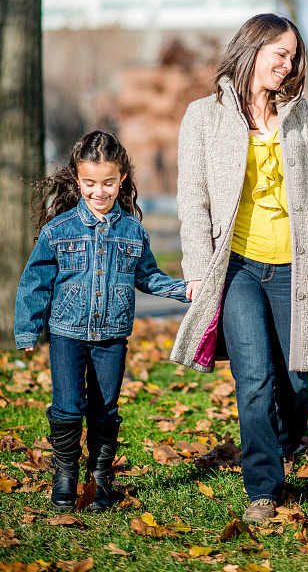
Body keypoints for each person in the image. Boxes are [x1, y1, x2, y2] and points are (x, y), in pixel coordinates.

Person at [170, 13, 308, 522]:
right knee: (254, 378)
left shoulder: (300, 116)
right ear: (253, 49)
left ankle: (278, 447)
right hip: (236, 269)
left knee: (298, 381)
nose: (288, 65)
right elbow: (194, 202)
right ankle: (264, 490)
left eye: (294, 57)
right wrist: (196, 268)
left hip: (294, 266)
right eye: (281, 54)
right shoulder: (202, 116)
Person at [14, 131, 189, 512]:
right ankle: (65, 475)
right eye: (90, 183)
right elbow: (35, 282)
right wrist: (28, 328)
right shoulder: (58, 231)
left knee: (105, 408)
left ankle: (100, 477)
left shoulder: (132, 231)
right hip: (66, 334)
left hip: (112, 337)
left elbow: (147, 276)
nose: (99, 192)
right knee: (68, 405)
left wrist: (184, 290)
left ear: (121, 178)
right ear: (78, 181)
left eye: (108, 183)